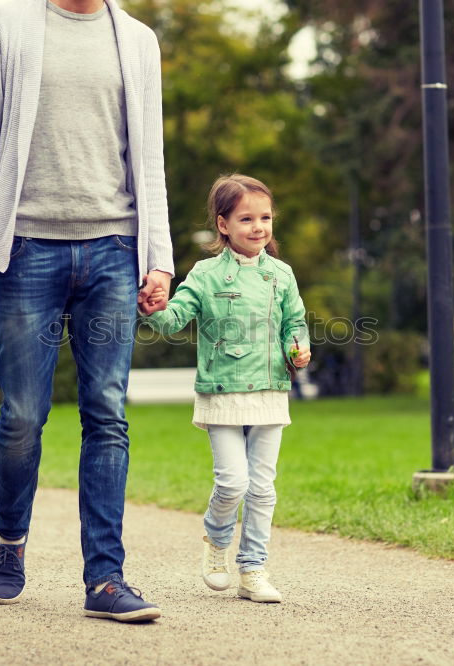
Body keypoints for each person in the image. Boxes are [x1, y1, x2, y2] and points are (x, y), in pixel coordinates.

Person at [0, 0, 173, 623]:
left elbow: (148, 155)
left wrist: (159, 257)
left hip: (114, 250)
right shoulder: (6, 26)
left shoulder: (137, 39)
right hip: (25, 250)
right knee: (23, 414)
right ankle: (11, 535)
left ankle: (105, 579)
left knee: (108, 412)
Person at [142, 174, 310, 603]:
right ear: (223, 225)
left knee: (262, 488)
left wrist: (298, 349)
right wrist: (154, 309)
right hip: (222, 393)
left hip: (270, 390)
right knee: (233, 482)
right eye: (246, 218)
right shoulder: (206, 274)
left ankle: (253, 569)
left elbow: (295, 324)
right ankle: (216, 541)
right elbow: (175, 317)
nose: (259, 227)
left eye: (265, 217)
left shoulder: (281, 275)